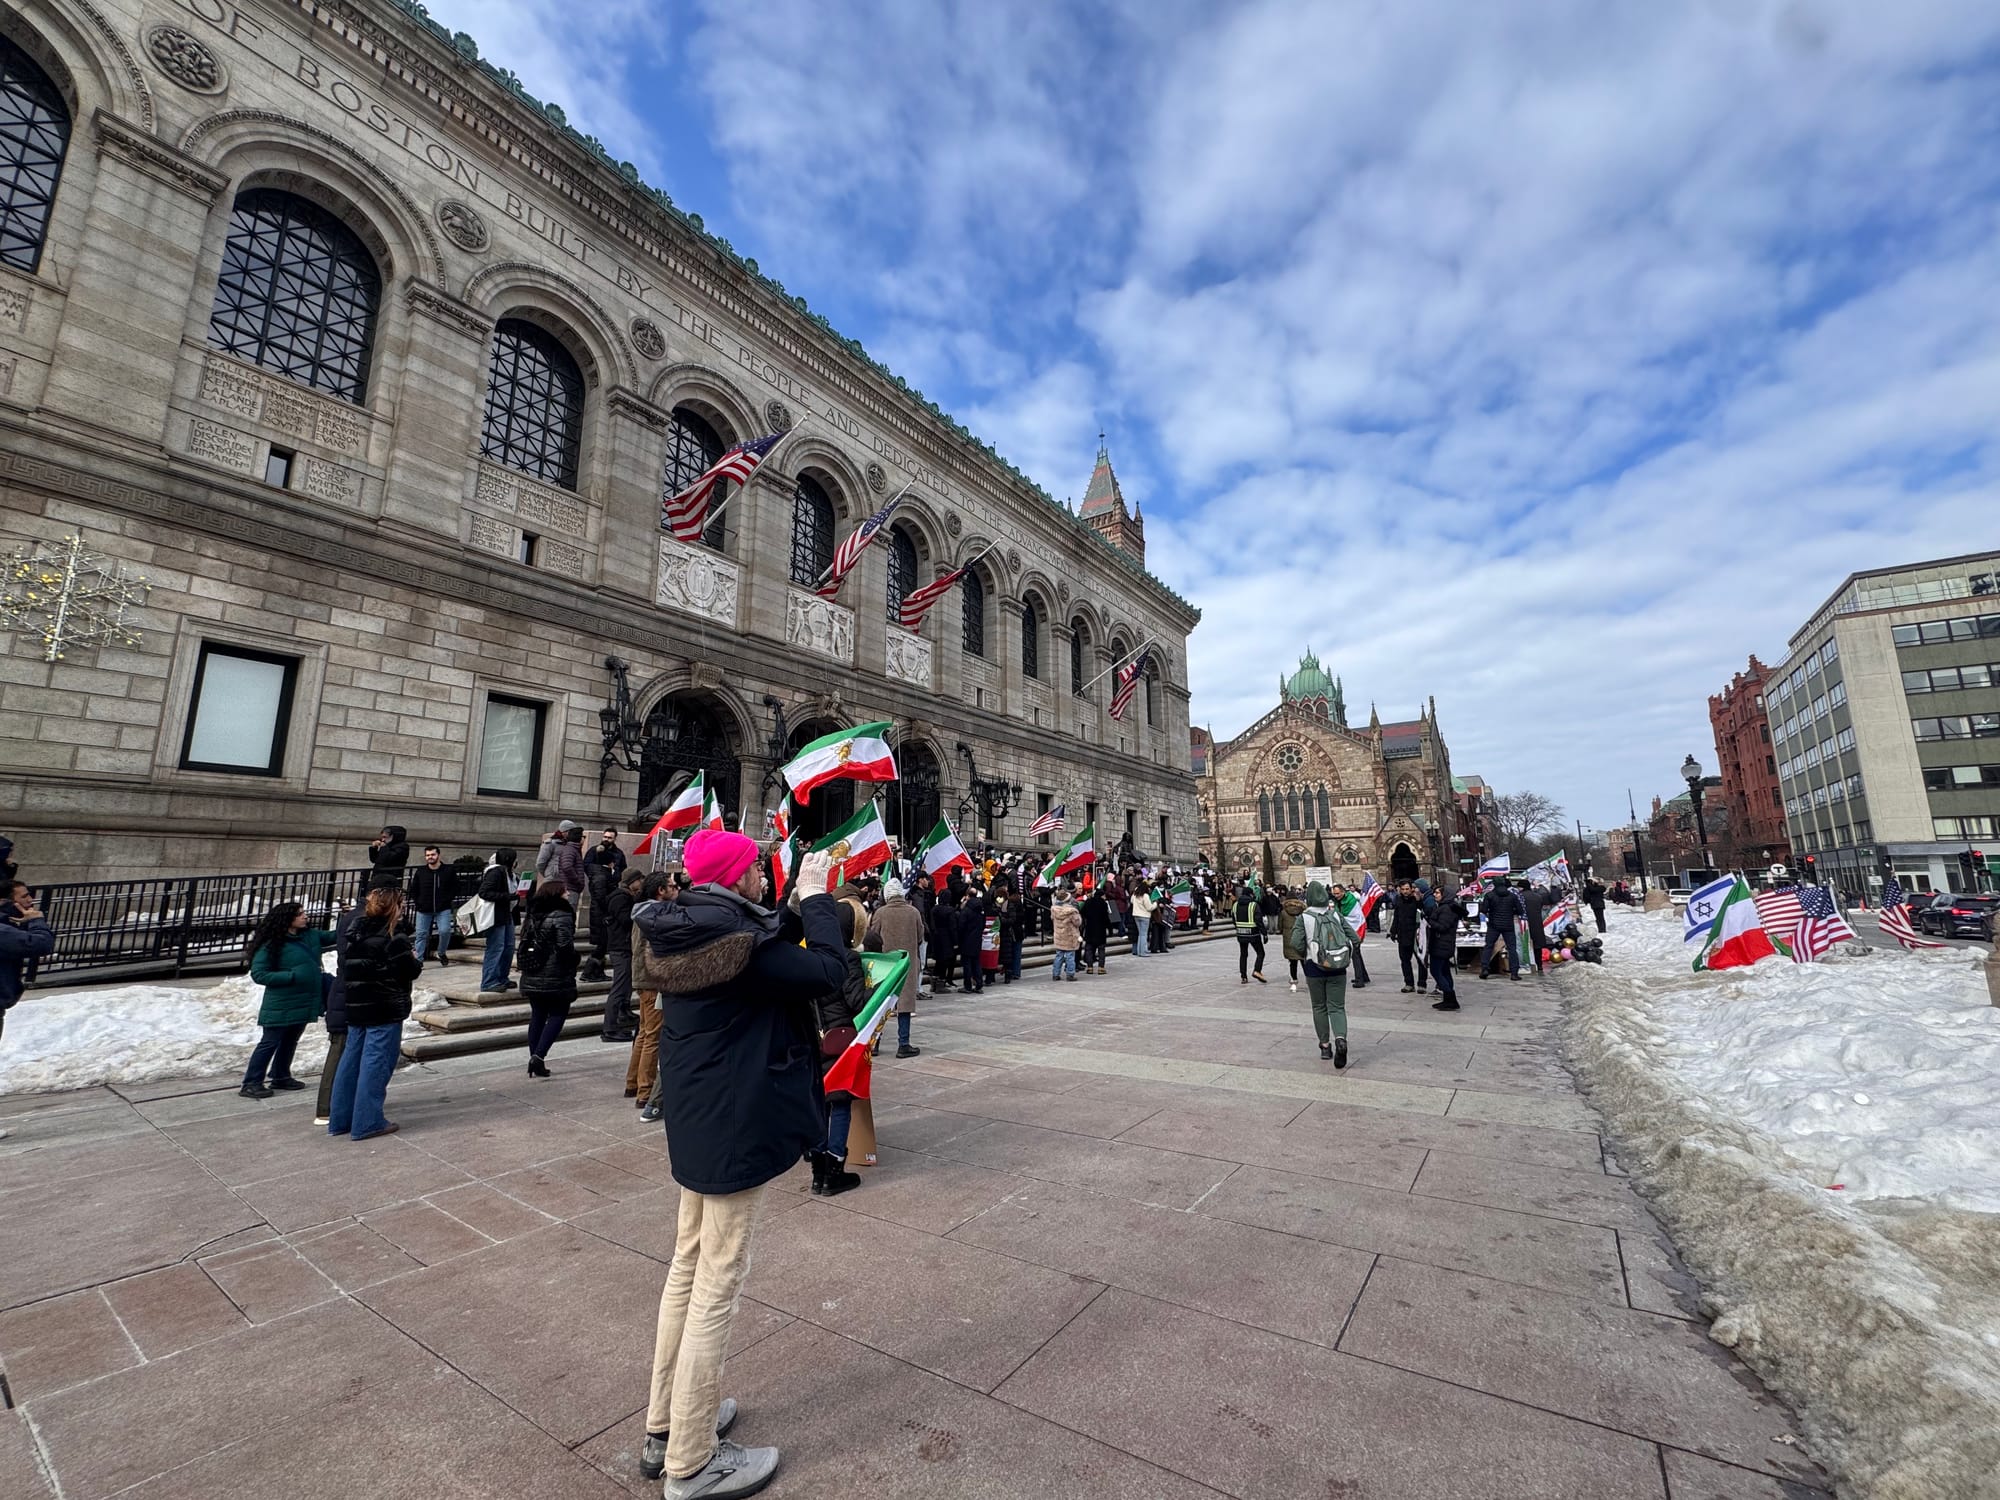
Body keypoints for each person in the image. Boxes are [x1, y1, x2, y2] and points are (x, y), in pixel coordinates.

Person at [634, 834, 846, 1498]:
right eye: (756, 866)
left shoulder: (688, 929)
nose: (764, 872)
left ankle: (667, 1424)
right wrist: (815, 898)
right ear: (733, 877)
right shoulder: (739, 951)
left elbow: (763, 933)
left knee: (688, 1266)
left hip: (698, 1122)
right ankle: (693, 1461)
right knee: (716, 1284)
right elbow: (827, 971)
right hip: (733, 1124)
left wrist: (787, 905)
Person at [328, 883, 421, 1141]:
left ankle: (340, 1119)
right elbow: (410, 970)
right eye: (401, 904)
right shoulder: (393, 937)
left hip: (358, 1005)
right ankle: (367, 1121)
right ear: (394, 907)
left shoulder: (355, 932)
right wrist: (414, 957)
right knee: (376, 1063)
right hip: (384, 1006)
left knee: (351, 1061)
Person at [241, 900, 336, 1099]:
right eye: (300, 914)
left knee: (291, 1040)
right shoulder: (272, 944)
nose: (305, 916)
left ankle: (280, 1075)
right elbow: (259, 974)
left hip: (304, 1001)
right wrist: (290, 976)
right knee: (270, 1042)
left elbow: (336, 936)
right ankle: (251, 1082)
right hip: (281, 1002)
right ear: (287, 919)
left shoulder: (310, 936)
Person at [812, 901, 870, 1198]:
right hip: (841, 1040)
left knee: (821, 1102)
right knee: (841, 1103)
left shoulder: (813, 954)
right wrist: (882, 987)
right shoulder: (847, 959)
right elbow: (857, 1000)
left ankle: (818, 1173)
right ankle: (834, 1170)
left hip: (816, 1037)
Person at [1293, 880, 1359, 1066]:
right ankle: (1341, 1039)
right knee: (1337, 1007)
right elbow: (1355, 938)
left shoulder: (1303, 918)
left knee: (1319, 1007)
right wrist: (1344, 954)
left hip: (1314, 968)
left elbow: (1296, 943)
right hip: (1338, 967)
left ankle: (1324, 1046)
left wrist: (1306, 956)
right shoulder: (1335, 915)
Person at [519, 881, 580, 1077]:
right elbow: (564, 946)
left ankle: (535, 1058)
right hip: (555, 973)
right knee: (558, 1014)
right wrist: (573, 961)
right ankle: (538, 1056)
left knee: (537, 1015)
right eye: (565, 890)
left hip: (533, 970)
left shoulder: (533, 913)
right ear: (557, 893)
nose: (568, 893)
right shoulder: (562, 914)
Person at [628, 870, 677, 1109]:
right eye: (671, 886)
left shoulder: (642, 910)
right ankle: (645, 1090)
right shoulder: (653, 913)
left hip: (643, 977)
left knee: (644, 1031)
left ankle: (633, 1082)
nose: (674, 889)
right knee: (652, 1036)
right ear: (661, 891)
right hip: (651, 979)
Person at [866, 877, 925, 1056]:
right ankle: (903, 1043)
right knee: (905, 1005)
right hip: (906, 962)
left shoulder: (881, 913)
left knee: (882, 1004)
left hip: (886, 964)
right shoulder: (913, 912)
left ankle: (875, 1043)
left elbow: (872, 936)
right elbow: (921, 935)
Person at [601, 866, 642, 1043]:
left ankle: (623, 1014)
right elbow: (626, 920)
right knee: (619, 987)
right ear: (631, 882)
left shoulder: (627, 897)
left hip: (625, 946)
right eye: (639, 880)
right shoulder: (620, 898)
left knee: (626, 985)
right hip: (621, 947)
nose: (641, 883)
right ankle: (609, 1028)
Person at [477, 848, 520, 994]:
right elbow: (484, 892)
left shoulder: (510, 874)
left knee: (508, 947)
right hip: (496, 915)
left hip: (507, 914)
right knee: (496, 947)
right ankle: (489, 981)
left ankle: (502, 977)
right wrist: (509, 896)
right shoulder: (495, 872)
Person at [407, 846, 456, 965]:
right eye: (428, 855)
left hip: (442, 908)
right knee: (421, 934)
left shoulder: (448, 870)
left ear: (438, 855)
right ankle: (419, 960)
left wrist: (447, 899)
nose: (430, 857)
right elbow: (414, 889)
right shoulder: (421, 871)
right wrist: (418, 902)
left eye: (432, 855)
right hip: (423, 908)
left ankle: (441, 952)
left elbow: (455, 887)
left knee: (445, 931)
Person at [1426, 882, 1467, 1010]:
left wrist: (1430, 921)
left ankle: (1450, 997)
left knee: (1436, 971)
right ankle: (1449, 999)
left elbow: (1443, 927)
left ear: (1445, 895)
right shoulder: (1445, 907)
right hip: (1443, 944)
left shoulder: (1446, 909)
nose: (1434, 894)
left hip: (1441, 945)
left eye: (1438, 893)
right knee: (1444, 972)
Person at [1479, 878, 1524, 980]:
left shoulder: (1490, 895)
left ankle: (1485, 968)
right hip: (1508, 925)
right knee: (1512, 948)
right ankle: (1514, 973)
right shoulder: (1512, 896)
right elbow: (1520, 910)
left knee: (1489, 946)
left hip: (1493, 924)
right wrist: (1511, 912)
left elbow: (1484, 910)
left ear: (1494, 884)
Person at [1330, 883, 1372, 988]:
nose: (1336, 895)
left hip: (1355, 930)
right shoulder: (1339, 901)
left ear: (1343, 892)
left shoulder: (1350, 901)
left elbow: (1346, 916)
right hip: (1350, 930)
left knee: (1355, 955)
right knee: (1357, 954)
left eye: (1338, 893)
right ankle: (1364, 976)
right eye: (1334, 894)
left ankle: (1360, 980)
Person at [1232, 883, 1267, 984]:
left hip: (1240, 933)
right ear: (1250, 895)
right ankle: (1257, 970)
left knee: (1243, 954)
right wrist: (1264, 933)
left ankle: (1243, 976)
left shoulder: (1235, 905)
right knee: (1260, 953)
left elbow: (1234, 920)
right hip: (1253, 933)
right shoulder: (1253, 905)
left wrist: (1239, 928)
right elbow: (1259, 921)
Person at [956, 885, 987, 994]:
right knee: (976, 963)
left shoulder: (967, 910)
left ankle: (967, 986)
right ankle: (979, 985)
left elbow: (961, 926)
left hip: (966, 940)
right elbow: (983, 924)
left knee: (967, 964)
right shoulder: (980, 909)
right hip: (977, 939)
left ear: (967, 896)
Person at [1050, 889, 1082, 981]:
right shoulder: (1072, 911)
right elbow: (1077, 923)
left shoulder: (1054, 910)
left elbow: (1052, 919)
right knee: (1070, 956)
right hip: (1069, 936)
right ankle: (1070, 974)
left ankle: (1055, 974)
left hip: (1059, 936)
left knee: (1059, 955)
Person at [1279, 885, 1306, 990]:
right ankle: (1309, 978)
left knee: (1293, 962)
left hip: (1289, 939)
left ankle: (1294, 982)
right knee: (1303, 960)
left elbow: (1279, 926)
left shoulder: (1284, 912)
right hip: (1301, 938)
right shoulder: (1303, 910)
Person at [1080, 883, 1111, 974]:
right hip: (1100, 929)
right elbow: (1106, 917)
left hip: (1090, 928)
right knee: (1101, 949)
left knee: (1089, 948)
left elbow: (1083, 912)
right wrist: (1109, 928)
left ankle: (1090, 967)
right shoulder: (1103, 904)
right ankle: (1101, 967)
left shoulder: (1088, 902)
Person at [994, 886, 1023, 983]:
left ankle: (1010, 974)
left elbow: (1012, 920)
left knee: (1008, 955)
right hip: (1002, 934)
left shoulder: (1009, 906)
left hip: (1008, 934)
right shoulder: (998, 906)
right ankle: (1012, 972)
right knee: (1009, 954)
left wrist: (1001, 920)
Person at [1130, 882, 1154, 956]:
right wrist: (1155, 904)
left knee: (1140, 934)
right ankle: (1143, 951)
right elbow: (1149, 907)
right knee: (1144, 934)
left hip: (1136, 915)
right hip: (1144, 916)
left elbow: (1131, 901)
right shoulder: (1145, 895)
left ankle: (1140, 950)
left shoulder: (1135, 894)